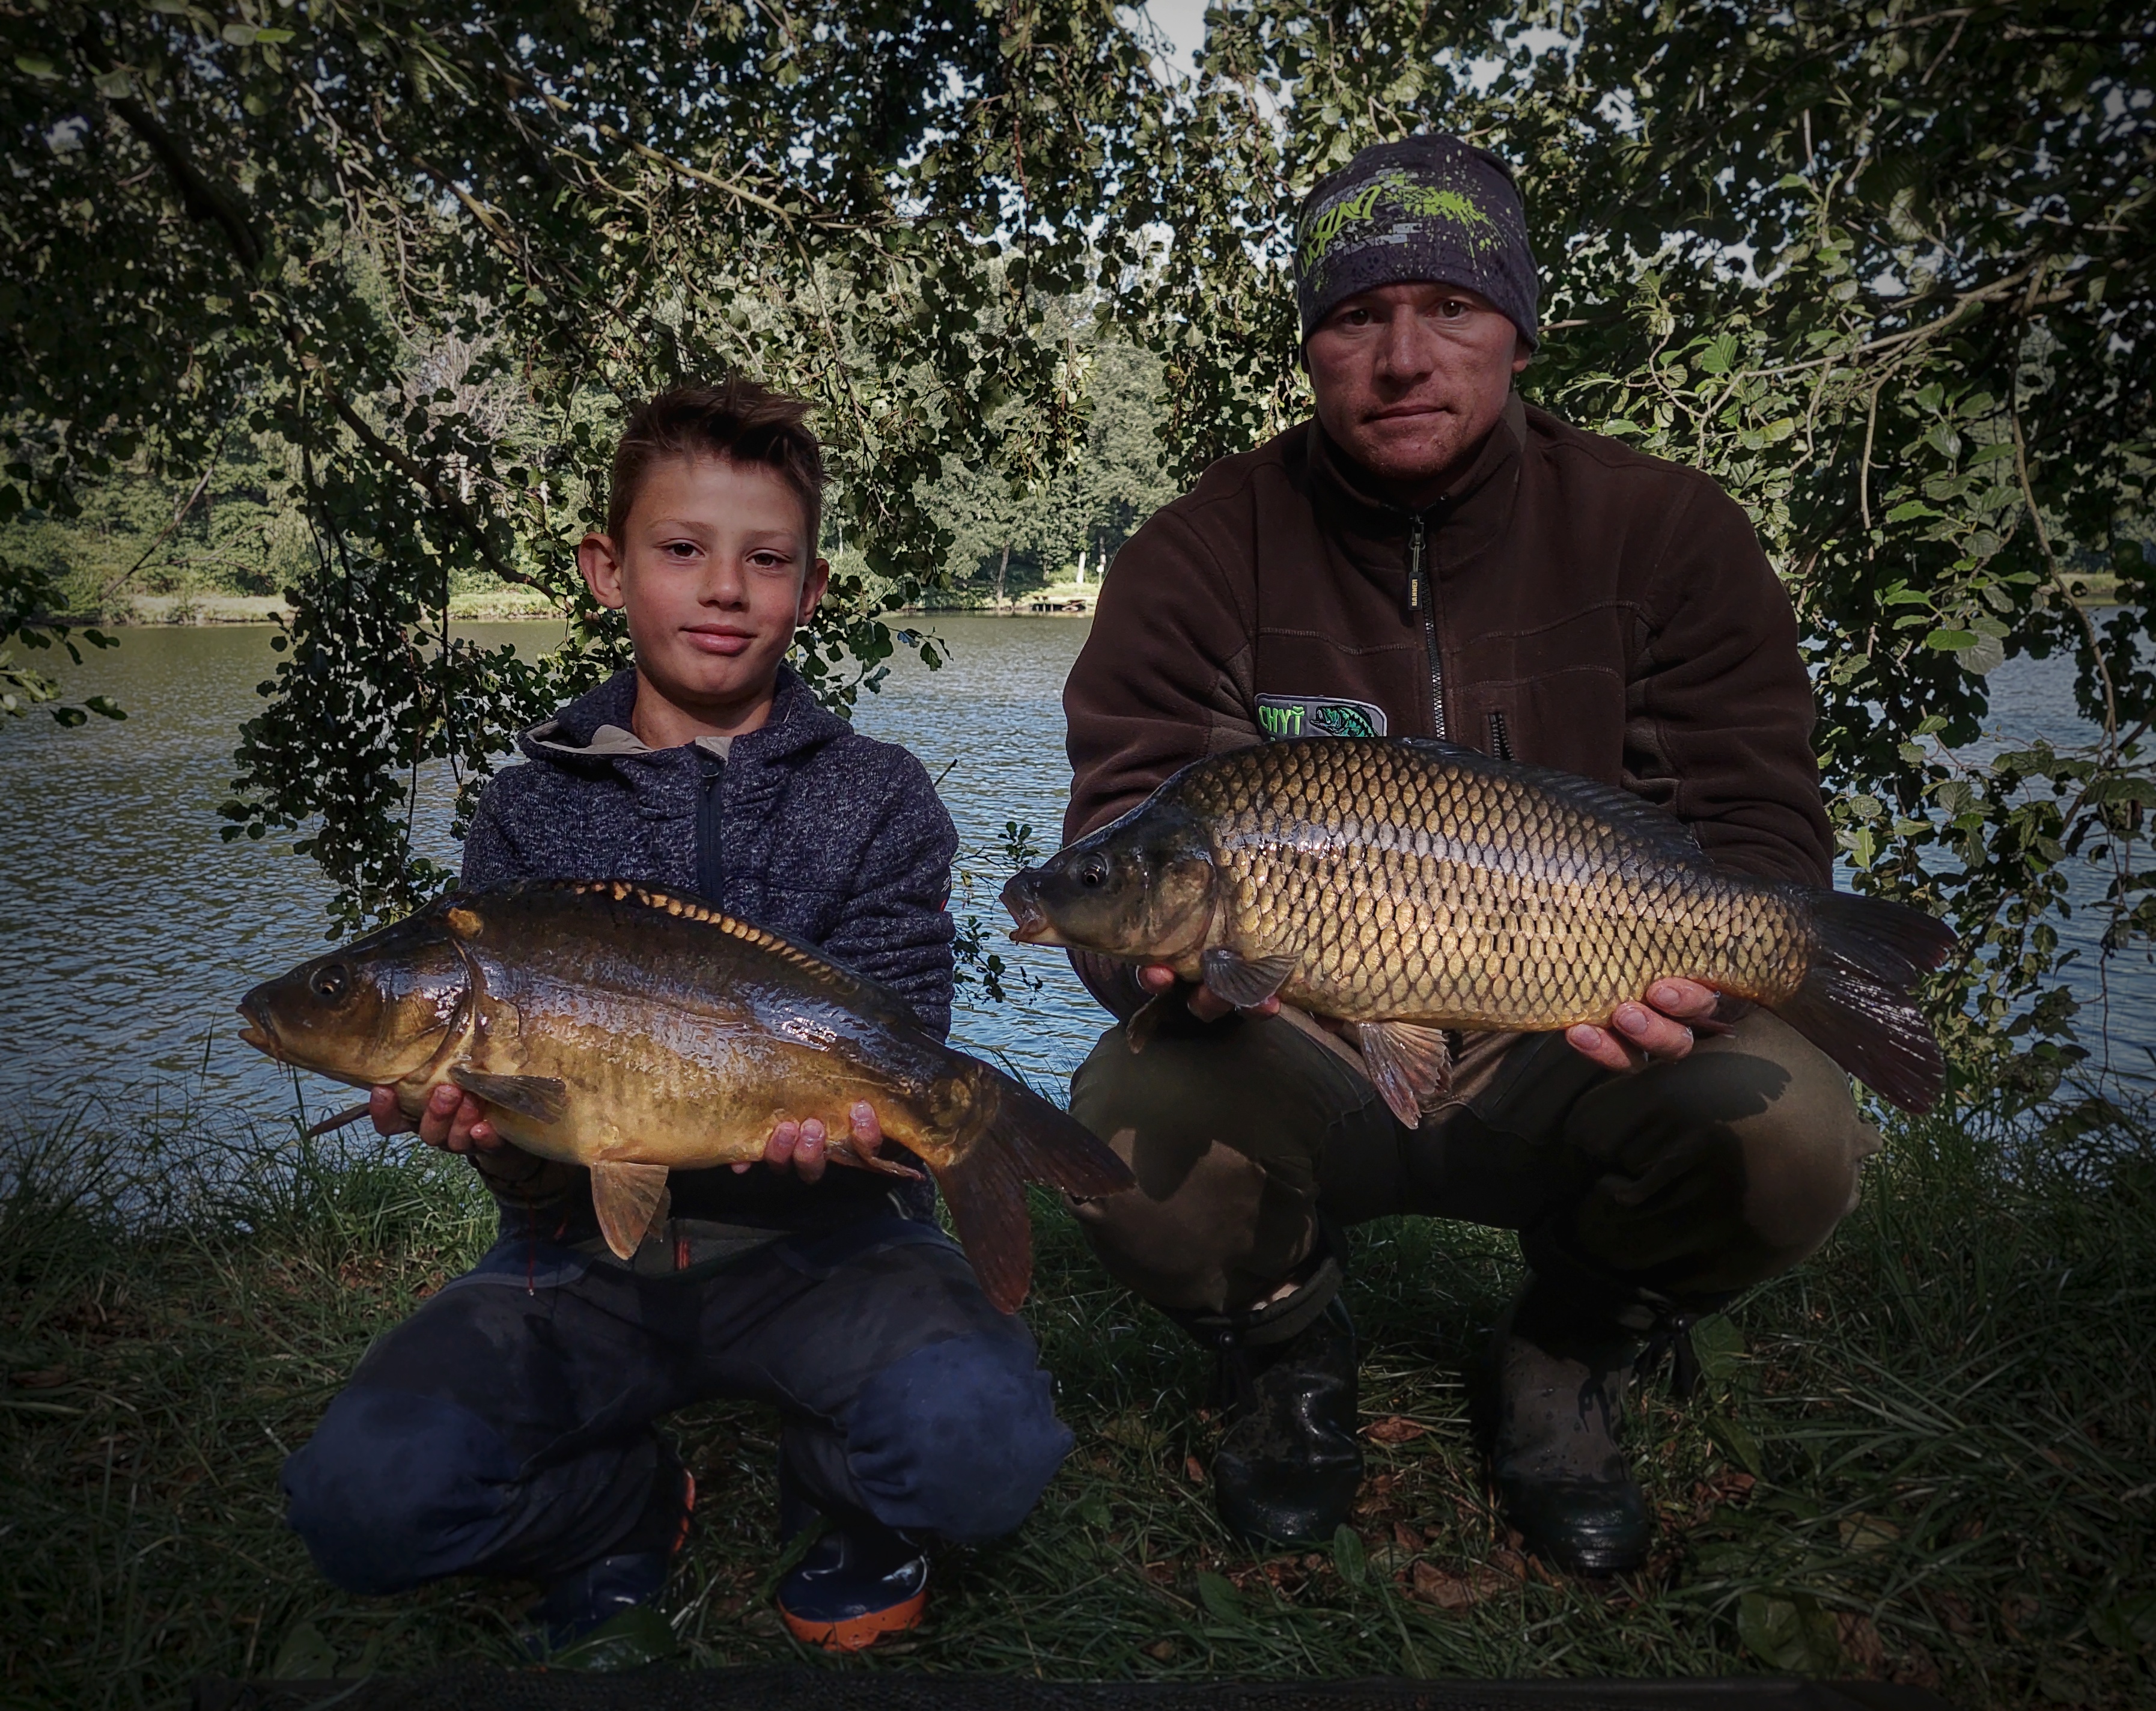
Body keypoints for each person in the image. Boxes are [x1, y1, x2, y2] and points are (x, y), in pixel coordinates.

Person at [1058, 136, 1875, 1576]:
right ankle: (1287, 1349)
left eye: (1451, 308)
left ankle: (1572, 1345)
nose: (1404, 356)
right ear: (1310, 345)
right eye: (1357, 316)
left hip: (1580, 1023)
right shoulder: (1200, 551)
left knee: (1795, 1126)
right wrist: (1153, 969)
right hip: (1305, 1030)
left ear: (1520, 330)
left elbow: (1755, 824)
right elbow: (1127, 835)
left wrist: (1711, 981)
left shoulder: (1668, 531)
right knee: (1125, 1127)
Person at [279, 379, 1073, 1655]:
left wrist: (868, 1140)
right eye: (683, 549)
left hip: (835, 1248)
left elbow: (902, 1029)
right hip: (583, 1263)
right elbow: (537, 1169)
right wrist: (495, 1146)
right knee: (363, 1501)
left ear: (811, 590)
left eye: (766, 559)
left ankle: (844, 1488)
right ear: (608, 569)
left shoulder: (880, 796)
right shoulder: (529, 810)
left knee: (982, 1452)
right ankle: (620, 1505)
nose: (724, 589)